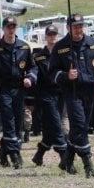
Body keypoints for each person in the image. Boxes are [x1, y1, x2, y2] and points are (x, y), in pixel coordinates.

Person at [49, 13, 94, 178]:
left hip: (90, 91)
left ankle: (67, 160)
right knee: (79, 125)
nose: (78, 30)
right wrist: (65, 75)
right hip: (72, 91)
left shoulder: (93, 44)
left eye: (80, 26)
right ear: (68, 28)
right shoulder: (60, 47)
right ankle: (88, 163)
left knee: (80, 127)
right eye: (75, 27)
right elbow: (52, 73)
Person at [0, 16, 37, 169]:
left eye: (13, 26)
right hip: (3, 89)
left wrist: (30, 77)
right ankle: (15, 154)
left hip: (19, 89)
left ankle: (3, 152)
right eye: (8, 27)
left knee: (18, 122)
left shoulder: (24, 47)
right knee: (8, 121)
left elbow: (32, 67)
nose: (11, 29)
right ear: (3, 28)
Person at [30, 25, 67, 167]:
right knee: (56, 124)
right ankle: (64, 156)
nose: (52, 37)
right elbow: (35, 75)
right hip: (45, 95)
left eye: (54, 34)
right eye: (50, 35)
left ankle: (39, 154)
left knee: (50, 127)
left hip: (60, 93)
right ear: (46, 37)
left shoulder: (62, 54)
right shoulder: (39, 57)